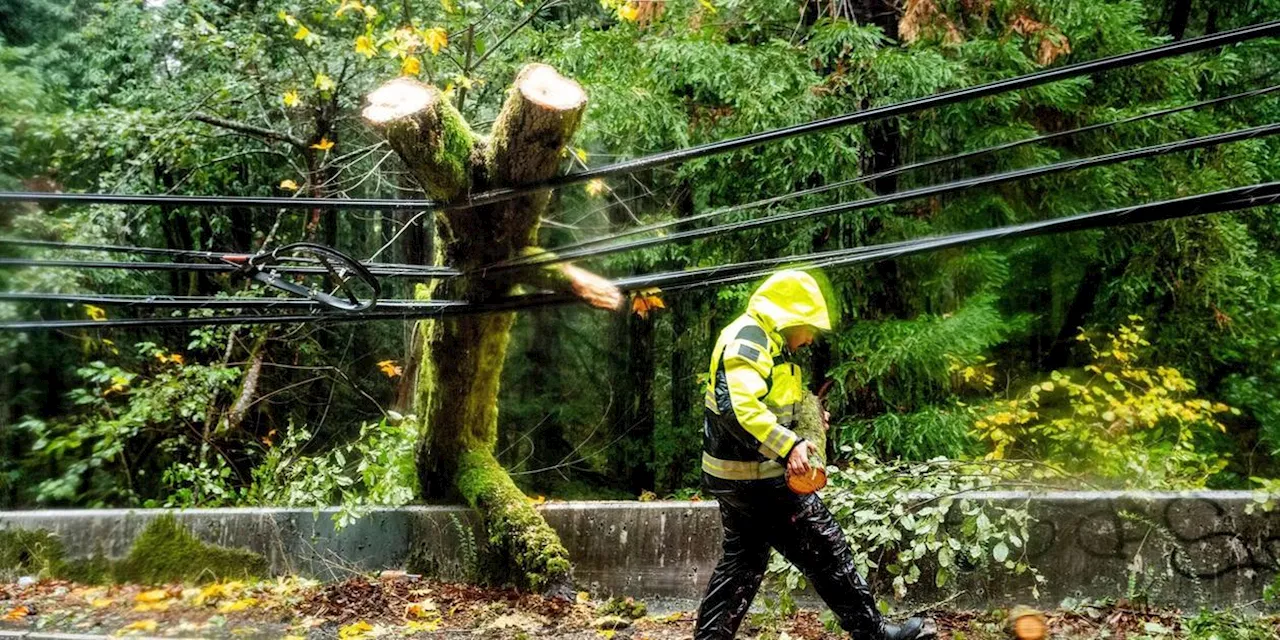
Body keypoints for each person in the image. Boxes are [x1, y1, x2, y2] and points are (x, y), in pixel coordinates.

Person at [694, 270, 935, 640]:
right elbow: (738, 410)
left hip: (741, 476)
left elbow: (769, 405)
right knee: (826, 547)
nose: (810, 339)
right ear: (790, 317)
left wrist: (807, 421)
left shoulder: (770, 344)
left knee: (743, 561)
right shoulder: (749, 340)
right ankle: (874, 634)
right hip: (755, 479)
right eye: (809, 329)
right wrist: (789, 444)